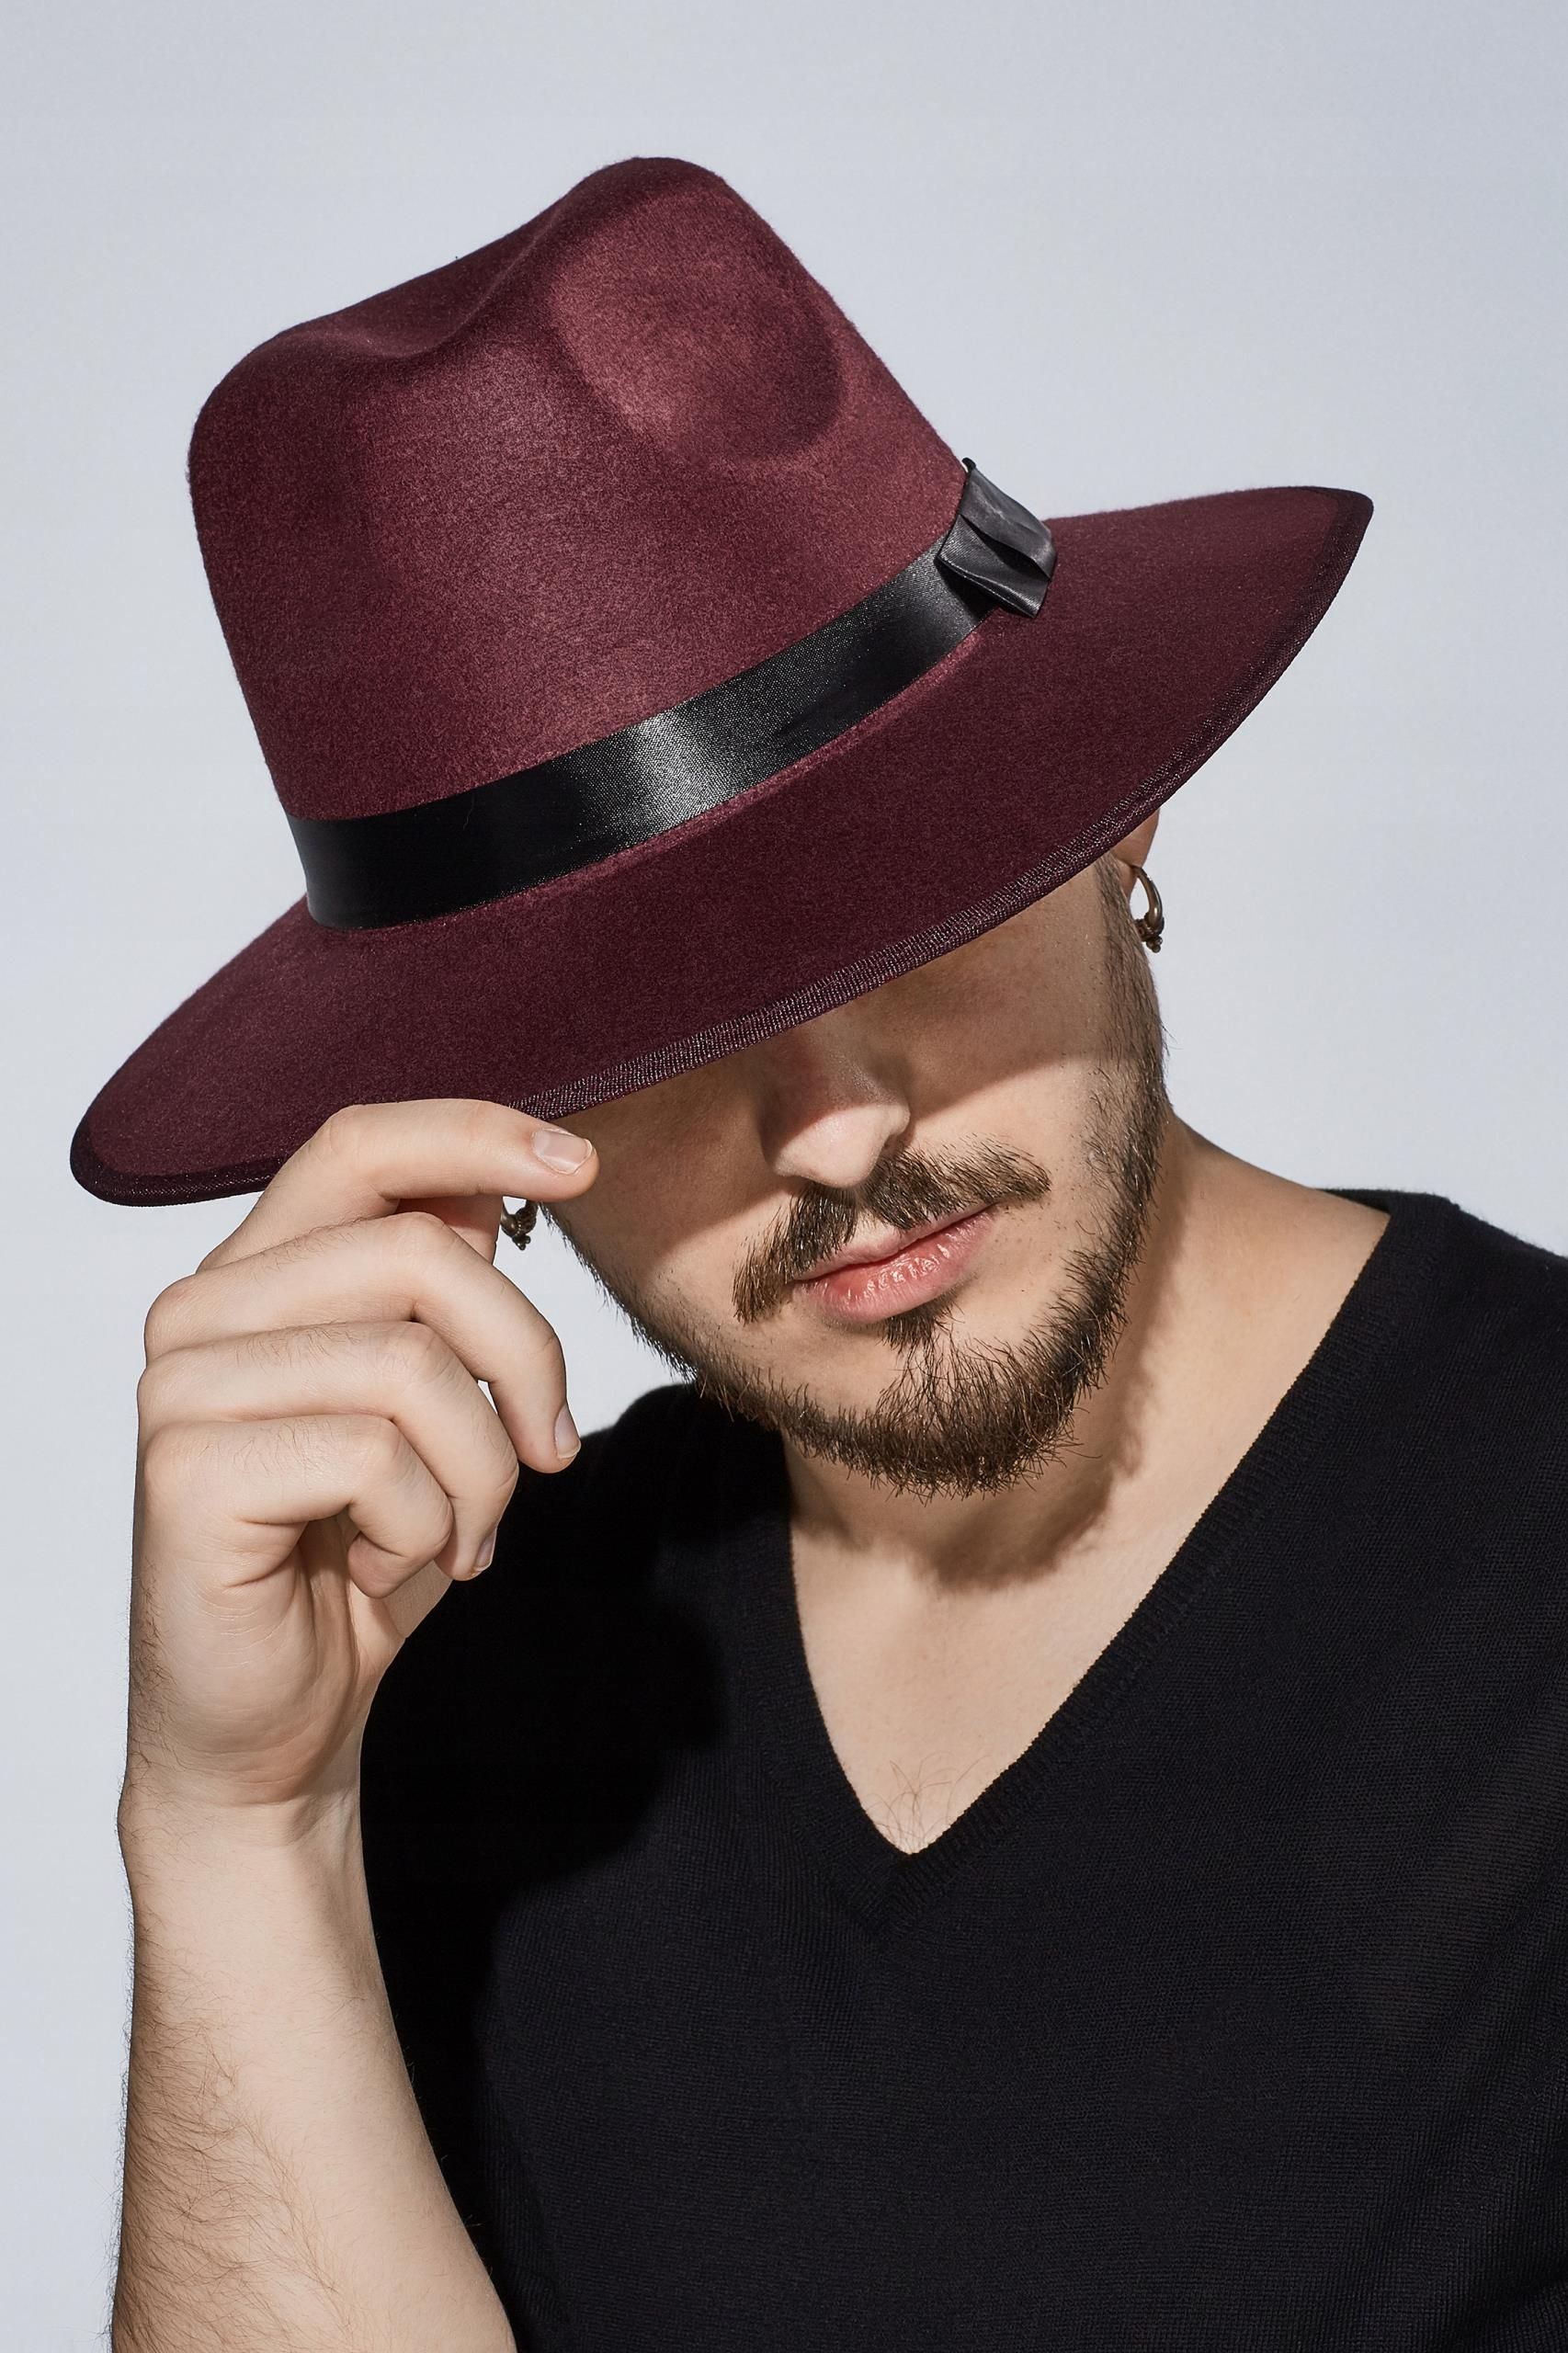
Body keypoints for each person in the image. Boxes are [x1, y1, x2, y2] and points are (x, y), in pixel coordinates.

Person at [80, 158, 1568, 2352]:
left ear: (1114, 807)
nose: (840, 1131)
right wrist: (236, 1827)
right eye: (654, 1031)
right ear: (478, 1102)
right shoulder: (468, 1668)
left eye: (909, 909)